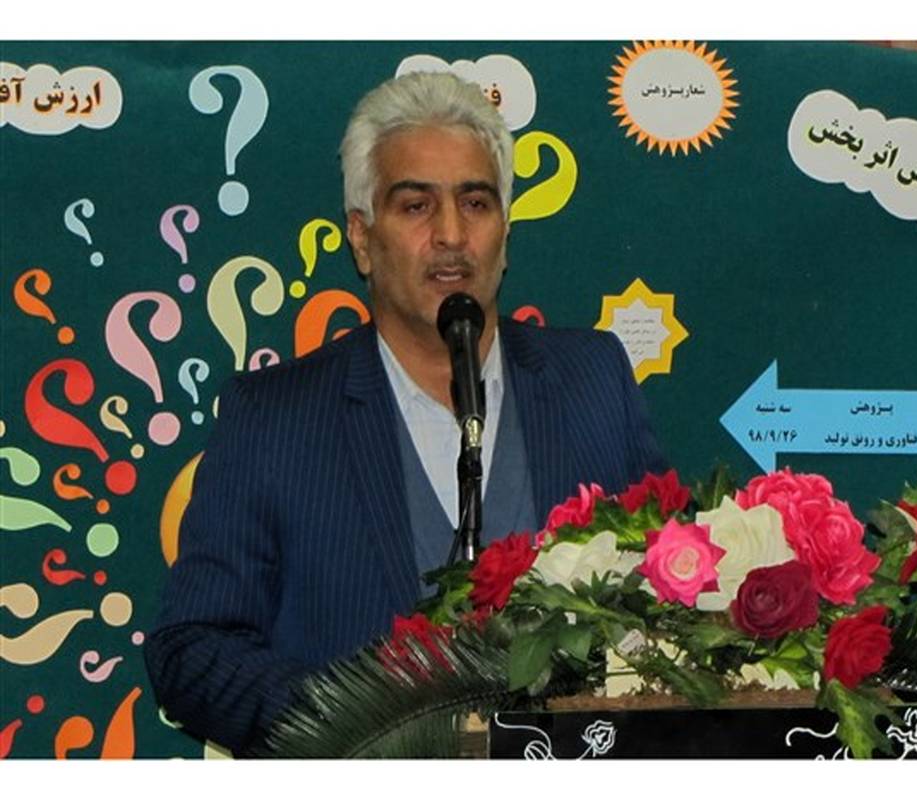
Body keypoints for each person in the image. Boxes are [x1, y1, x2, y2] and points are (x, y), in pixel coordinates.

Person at [144, 71, 667, 756]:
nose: (451, 234)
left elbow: (674, 596)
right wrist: (359, 725)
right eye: (416, 206)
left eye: (475, 203)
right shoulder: (273, 416)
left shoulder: (592, 381)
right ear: (362, 239)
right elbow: (192, 649)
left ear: (505, 231)